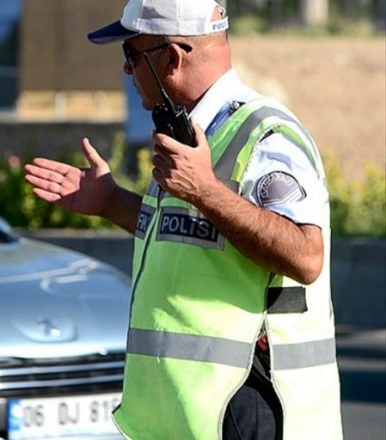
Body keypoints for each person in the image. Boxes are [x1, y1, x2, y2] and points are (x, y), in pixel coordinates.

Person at [23, 1, 342, 439]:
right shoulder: (193, 135)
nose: (125, 71)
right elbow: (191, 236)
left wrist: (205, 191)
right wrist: (111, 201)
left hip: (247, 408)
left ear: (171, 58)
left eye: (131, 56)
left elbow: (306, 256)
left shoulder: (266, 135)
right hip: (191, 419)